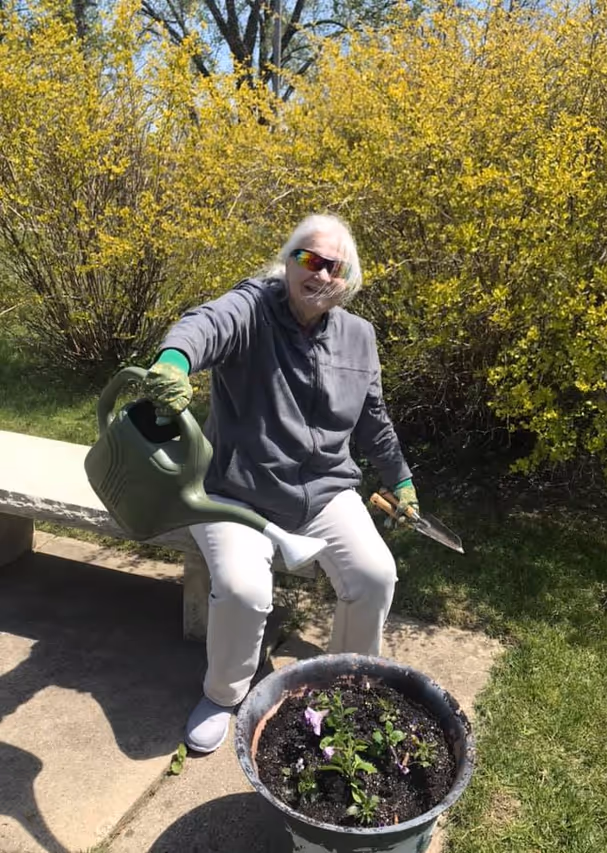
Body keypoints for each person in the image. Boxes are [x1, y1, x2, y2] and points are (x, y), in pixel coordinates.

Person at [141, 213, 420, 754]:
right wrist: (174, 361)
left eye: (334, 266)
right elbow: (207, 323)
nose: (320, 274)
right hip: (236, 490)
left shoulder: (359, 337)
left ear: (349, 278)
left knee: (375, 575)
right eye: (308, 259)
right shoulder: (254, 308)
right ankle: (223, 695)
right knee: (244, 590)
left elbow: (373, 419)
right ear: (288, 262)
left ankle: (344, 687)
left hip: (324, 490)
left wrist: (401, 480)